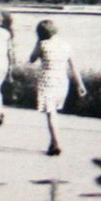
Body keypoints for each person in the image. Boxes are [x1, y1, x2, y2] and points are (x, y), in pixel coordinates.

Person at [28, 19, 86, 156]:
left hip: (47, 81)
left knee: (51, 113)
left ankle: (56, 143)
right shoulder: (66, 45)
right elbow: (74, 67)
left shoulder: (42, 44)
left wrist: (37, 42)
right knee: (54, 112)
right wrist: (80, 84)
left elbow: (31, 59)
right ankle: (52, 142)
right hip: (62, 81)